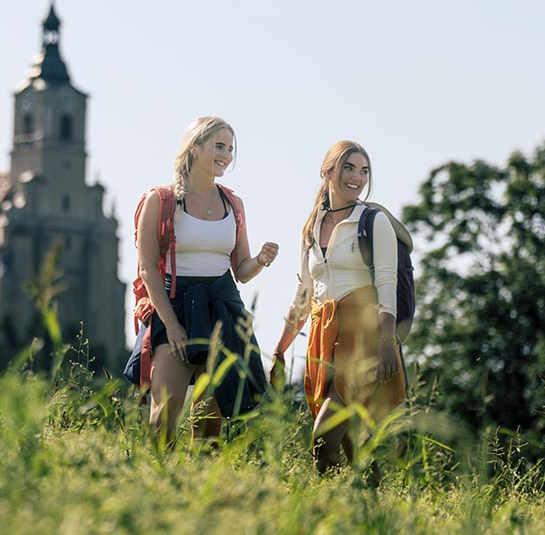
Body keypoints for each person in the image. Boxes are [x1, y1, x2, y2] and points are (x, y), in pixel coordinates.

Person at [135, 116, 279, 447]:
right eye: (218, 146)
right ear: (195, 148)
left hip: (222, 309)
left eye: (230, 149)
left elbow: (241, 270)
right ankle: (155, 487)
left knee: (209, 424)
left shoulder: (233, 203)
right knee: (163, 418)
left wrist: (259, 260)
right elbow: (148, 270)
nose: (226, 155)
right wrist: (171, 326)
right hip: (174, 305)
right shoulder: (160, 199)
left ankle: (200, 493)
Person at [269, 140, 406, 479]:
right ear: (327, 171)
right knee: (353, 443)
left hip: (363, 337)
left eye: (364, 171)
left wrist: (388, 344)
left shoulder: (374, 221)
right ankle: (369, 512)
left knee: (323, 438)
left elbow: (387, 286)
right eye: (349, 167)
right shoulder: (311, 228)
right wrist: (280, 348)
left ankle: (336, 512)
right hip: (324, 339)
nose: (357, 177)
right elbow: (304, 294)